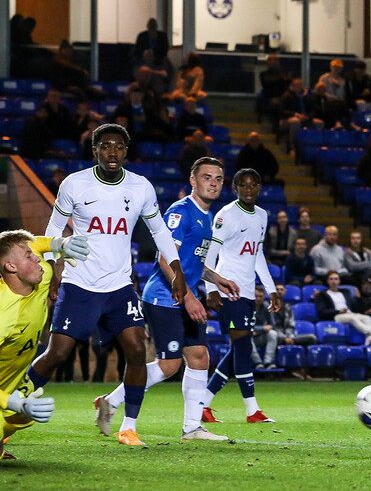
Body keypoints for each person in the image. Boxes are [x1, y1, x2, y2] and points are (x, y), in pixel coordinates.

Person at [29, 124, 188, 447]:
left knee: (135, 350)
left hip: (118, 286)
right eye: (105, 146)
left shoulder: (141, 187)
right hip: (80, 284)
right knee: (58, 353)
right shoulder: (75, 184)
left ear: (126, 152)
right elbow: (53, 230)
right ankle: (15, 396)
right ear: (95, 151)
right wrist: (52, 270)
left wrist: (177, 271)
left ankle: (128, 427)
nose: (112, 152)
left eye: (118, 146)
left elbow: (159, 232)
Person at [93, 157, 240, 441]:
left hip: (185, 296)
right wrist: (187, 297)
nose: (213, 183)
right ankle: (111, 402)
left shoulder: (208, 216)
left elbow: (191, 262)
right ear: (193, 181)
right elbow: (165, 258)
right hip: (164, 298)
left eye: (218, 179)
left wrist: (215, 278)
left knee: (199, 358)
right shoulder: (180, 211)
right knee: (170, 364)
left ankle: (192, 428)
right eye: (207, 177)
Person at [0, 230, 89, 459]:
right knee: (23, 410)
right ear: (10, 267)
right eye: (28, 256)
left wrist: (61, 243)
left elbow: (36, 244)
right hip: (3, 393)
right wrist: (14, 403)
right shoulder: (2, 315)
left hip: (11, 384)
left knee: (27, 416)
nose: (37, 258)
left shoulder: (41, 276)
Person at [201, 168, 280, 424]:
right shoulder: (226, 215)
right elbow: (210, 253)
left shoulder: (262, 215)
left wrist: (271, 288)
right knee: (244, 347)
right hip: (228, 290)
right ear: (235, 188)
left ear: (259, 187)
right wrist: (211, 289)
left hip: (247, 292)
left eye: (253, 184)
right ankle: (252, 410)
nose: (248, 189)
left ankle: (203, 404)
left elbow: (257, 255)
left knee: (238, 349)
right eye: (243, 185)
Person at [252, 284, 316, 375]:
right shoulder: (268, 306)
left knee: (311, 338)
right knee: (272, 334)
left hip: (286, 336)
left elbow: (290, 324)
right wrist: (262, 328)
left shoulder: (287, 307)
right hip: (275, 337)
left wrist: (288, 337)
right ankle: (260, 363)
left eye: (281, 289)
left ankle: (305, 371)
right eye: (277, 289)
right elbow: (271, 326)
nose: (279, 291)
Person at [315, 271, 371, 345]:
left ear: (339, 281)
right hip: (336, 316)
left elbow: (355, 307)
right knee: (352, 319)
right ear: (327, 281)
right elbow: (321, 312)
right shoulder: (322, 294)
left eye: (336, 279)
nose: (333, 281)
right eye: (331, 279)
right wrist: (338, 311)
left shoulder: (345, 292)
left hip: (349, 313)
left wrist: (358, 298)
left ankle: (368, 339)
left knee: (367, 318)